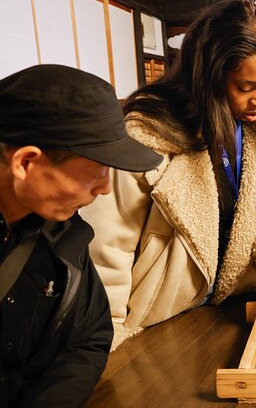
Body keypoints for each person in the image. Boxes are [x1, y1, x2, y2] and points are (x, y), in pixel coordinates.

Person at [80, 0, 256, 350]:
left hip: (228, 309)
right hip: (157, 321)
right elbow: (107, 248)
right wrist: (106, 337)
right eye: (245, 86)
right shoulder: (148, 133)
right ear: (209, 75)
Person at [0, 64, 162, 407]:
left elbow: (89, 337)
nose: (105, 189)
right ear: (26, 162)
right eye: (97, 171)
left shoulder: (62, 233)